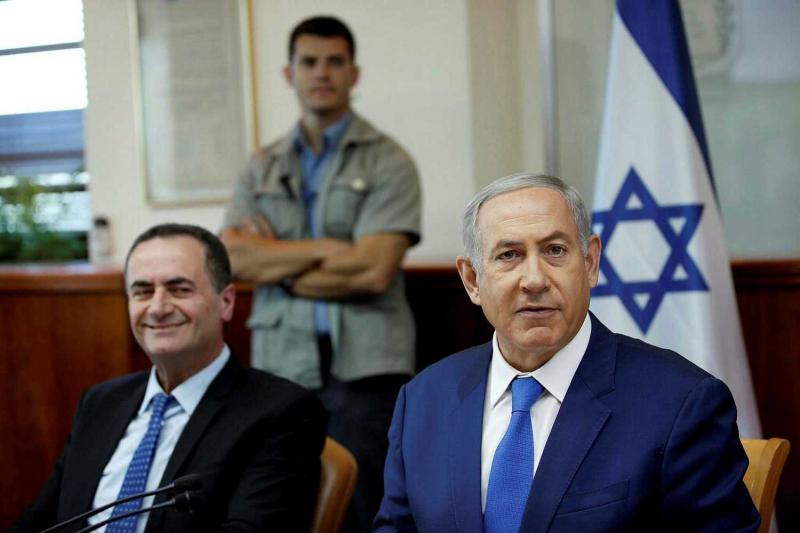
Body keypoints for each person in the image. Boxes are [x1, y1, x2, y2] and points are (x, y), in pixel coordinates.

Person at [375, 174, 760, 532]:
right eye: (509, 255)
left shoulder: (680, 403)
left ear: (590, 263)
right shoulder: (423, 400)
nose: (534, 280)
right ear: (472, 280)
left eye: (555, 250)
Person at [221, 15, 421, 533]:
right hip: (283, 364)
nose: (322, 73)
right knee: (286, 508)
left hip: (367, 369)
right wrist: (328, 250)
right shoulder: (261, 166)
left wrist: (278, 265)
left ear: (354, 73)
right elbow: (234, 259)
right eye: (309, 62)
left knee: (369, 510)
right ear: (290, 74)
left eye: (335, 62)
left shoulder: (389, 161)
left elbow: (373, 270)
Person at [12, 224, 325, 533]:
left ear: (226, 302)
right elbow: (40, 521)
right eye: (143, 291)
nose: (158, 308)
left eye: (180, 289)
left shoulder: (281, 412)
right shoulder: (100, 402)